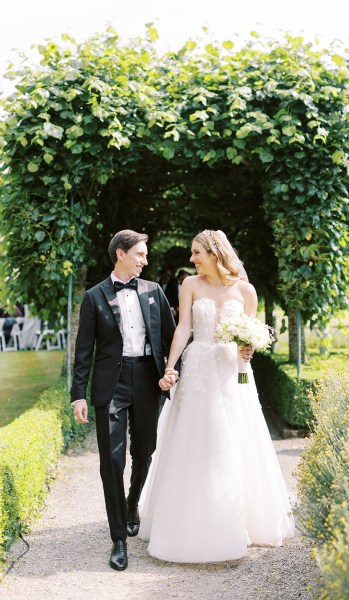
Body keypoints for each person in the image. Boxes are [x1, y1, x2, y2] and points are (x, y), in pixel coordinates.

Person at [138, 229, 295, 563]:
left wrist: (248, 347)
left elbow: (249, 333)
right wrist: (170, 367)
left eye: (197, 253)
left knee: (235, 438)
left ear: (214, 253)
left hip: (232, 371)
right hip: (198, 368)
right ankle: (187, 520)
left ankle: (239, 520)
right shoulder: (190, 285)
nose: (192, 259)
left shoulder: (245, 290)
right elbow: (183, 328)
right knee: (197, 440)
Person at [71, 230, 178, 571]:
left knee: (145, 451)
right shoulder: (94, 297)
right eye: (140, 255)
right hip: (111, 385)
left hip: (147, 378)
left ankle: (132, 506)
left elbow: (171, 337)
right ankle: (118, 537)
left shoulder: (154, 291)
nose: (145, 261)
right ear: (121, 253)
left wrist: (172, 371)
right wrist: (78, 395)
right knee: (112, 461)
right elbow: (83, 352)